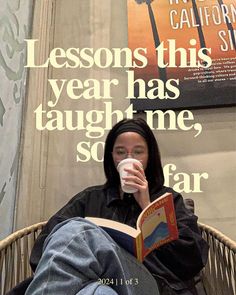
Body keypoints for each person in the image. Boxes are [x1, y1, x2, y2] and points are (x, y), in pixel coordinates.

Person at [22, 118, 208, 295]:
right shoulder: (90, 198)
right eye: (120, 152)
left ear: (149, 156)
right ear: (111, 157)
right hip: (98, 283)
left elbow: (194, 258)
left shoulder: (168, 200)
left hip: (148, 285)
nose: (129, 158)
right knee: (97, 291)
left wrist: (147, 206)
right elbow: (43, 248)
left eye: (138, 152)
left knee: (80, 231)